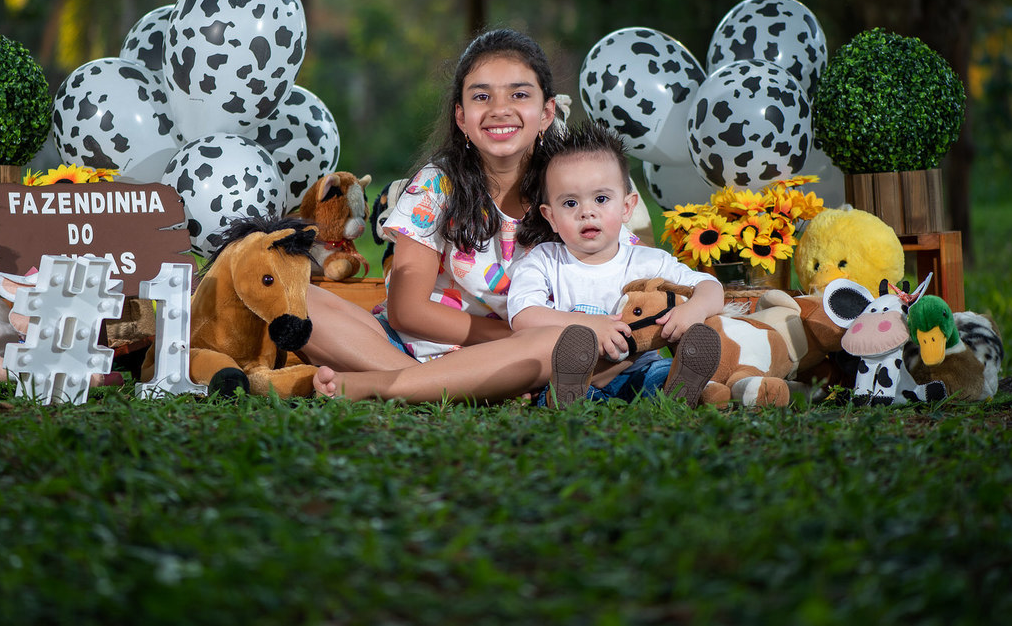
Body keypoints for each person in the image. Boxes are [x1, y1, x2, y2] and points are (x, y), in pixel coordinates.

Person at [304, 29, 716, 406]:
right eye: (481, 97)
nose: (500, 109)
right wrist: (514, 340)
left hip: (538, 353)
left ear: (547, 111)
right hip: (412, 347)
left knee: (561, 343)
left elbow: (627, 272)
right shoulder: (437, 184)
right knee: (299, 300)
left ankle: (398, 386)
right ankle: (451, 384)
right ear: (461, 117)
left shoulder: (573, 186)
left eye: (519, 94)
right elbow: (407, 312)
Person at [506, 120, 725, 407]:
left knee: (661, 373)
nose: (587, 212)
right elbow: (523, 314)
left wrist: (695, 309)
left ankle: (680, 388)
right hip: (579, 373)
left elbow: (710, 286)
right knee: (556, 386)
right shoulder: (545, 260)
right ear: (551, 217)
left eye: (600, 199)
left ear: (626, 207)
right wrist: (588, 324)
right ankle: (567, 396)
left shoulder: (647, 260)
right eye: (570, 203)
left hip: (640, 369)